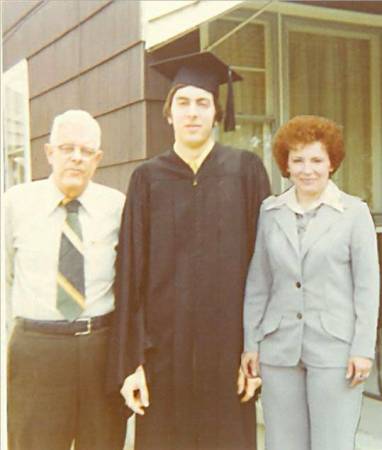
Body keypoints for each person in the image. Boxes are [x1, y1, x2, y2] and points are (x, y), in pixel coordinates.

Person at [107, 52, 270, 450]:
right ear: (168, 113)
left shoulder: (245, 171)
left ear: (216, 113)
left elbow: (267, 270)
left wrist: (256, 352)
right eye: (183, 102)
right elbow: (130, 274)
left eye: (202, 103)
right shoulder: (147, 179)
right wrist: (132, 363)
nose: (192, 113)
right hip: (163, 357)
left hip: (228, 355)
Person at [241, 115, 380, 450]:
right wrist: (251, 343)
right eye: (297, 160)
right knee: (283, 443)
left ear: (331, 162)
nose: (307, 169)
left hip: (335, 349)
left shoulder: (354, 213)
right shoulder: (271, 212)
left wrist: (363, 349)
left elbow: (367, 287)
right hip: (279, 347)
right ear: (285, 165)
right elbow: (259, 283)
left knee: (332, 443)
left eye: (316, 160)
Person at [5, 110, 127, 450]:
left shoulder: (116, 206)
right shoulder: (16, 204)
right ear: (49, 152)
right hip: (37, 350)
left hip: (99, 349)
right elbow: (6, 275)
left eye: (86, 151)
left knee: (103, 443)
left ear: (98, 158)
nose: (76, 157)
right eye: (67, 147)